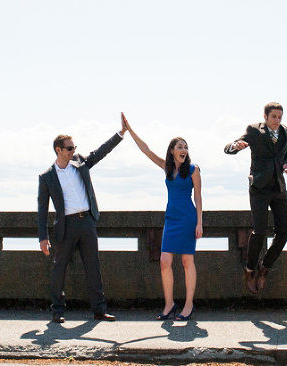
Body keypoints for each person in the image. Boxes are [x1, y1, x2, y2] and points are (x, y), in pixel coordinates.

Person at [37, 115, 127, 323]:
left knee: (93, 266)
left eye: (74, 147)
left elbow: (101, 152)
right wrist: (43, 237)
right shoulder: (47, 177)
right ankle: (57, 311)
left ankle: (99, 310)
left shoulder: (81, 163)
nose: (73, 151)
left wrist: (120, 134)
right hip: (66, 225)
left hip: (87, 221)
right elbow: (42, 210)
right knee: (59, 269)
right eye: (69, 148)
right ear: (58, 150)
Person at [123, 114, 203, 321]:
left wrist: (200, 223)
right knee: (164, 261)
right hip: (171, 219)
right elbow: (146, 150)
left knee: (187, 261)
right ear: (172, 151)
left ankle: (188, 305)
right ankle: (169, 305)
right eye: (179, 146)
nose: (183, 149)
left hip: (187, 218)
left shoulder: (194, 170)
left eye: (185, 146)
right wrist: (130, 130)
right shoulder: (167, 168)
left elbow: (198, 197)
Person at [224, 102, 287, 294]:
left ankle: (265, 267)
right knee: (260, 231)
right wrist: (234, 146)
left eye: (280, 117)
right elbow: (229, 147)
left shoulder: (286, 132)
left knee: (284, 232)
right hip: (259, 188)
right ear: (265, 116)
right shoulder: (254, 131)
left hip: (278, 188)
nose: (277, 121)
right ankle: (249, 269)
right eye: (273, 117)